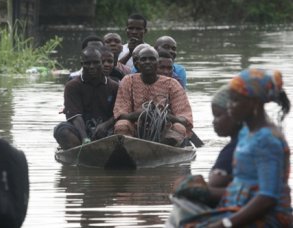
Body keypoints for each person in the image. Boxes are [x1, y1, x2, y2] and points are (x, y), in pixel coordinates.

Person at [174, 69, 293, 227]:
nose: (230, 107)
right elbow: (242, 183)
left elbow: (267, 197)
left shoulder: (266, 140)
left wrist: (225, 223)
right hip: (238, 208)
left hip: (270, 218)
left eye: (235, 101)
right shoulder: (249, 135)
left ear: (254, 104)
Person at [113, 47, 193, 147]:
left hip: (165, 129)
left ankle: (162, 148)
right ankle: (132, 149)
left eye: (152, 59)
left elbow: (184, 118)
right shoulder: (128, 81)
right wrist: (141, 114)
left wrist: (163, 116)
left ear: (157, 63)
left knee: (179, 128)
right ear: (137, 64)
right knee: (121, 125)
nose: (147, 62)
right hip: (135, 127)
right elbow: (120, 114)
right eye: (143, 59)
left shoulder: (172, 84)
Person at [54, 47, 119, 150]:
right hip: (81, 130)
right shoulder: (72, 86)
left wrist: (105, 125)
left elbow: (118, 113)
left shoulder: (114, 86)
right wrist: (85, 138)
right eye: (87, 63)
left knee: (122, 127)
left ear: (102, 63)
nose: (92, 67)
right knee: (61, 131)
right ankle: (80, 152)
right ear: (82, 64)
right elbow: (75, 116)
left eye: (96, 63)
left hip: (105, 130)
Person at [208, 84, 242, 188]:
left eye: (218, 115)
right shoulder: (242, 142)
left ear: (234, 114)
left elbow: (215, 182)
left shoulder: (236, 148)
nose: (214, 122)